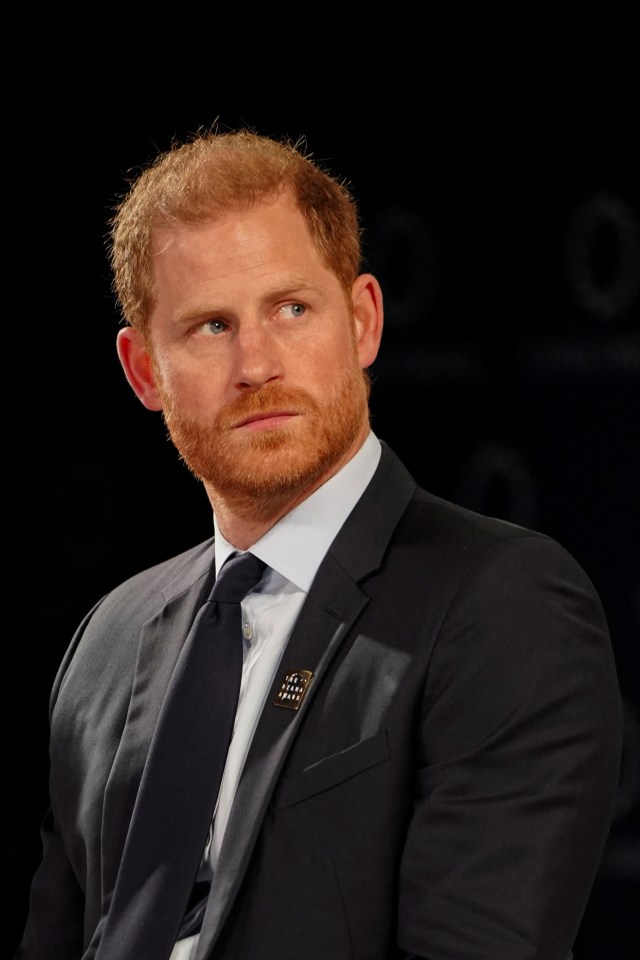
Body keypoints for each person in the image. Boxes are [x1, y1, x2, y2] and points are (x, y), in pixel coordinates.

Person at [16, 127, 623, 960]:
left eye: (290, 309)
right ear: (143, 371)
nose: (256, 362)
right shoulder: (106, 644)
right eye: (209, 326)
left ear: (365, 320)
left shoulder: (502, 605)